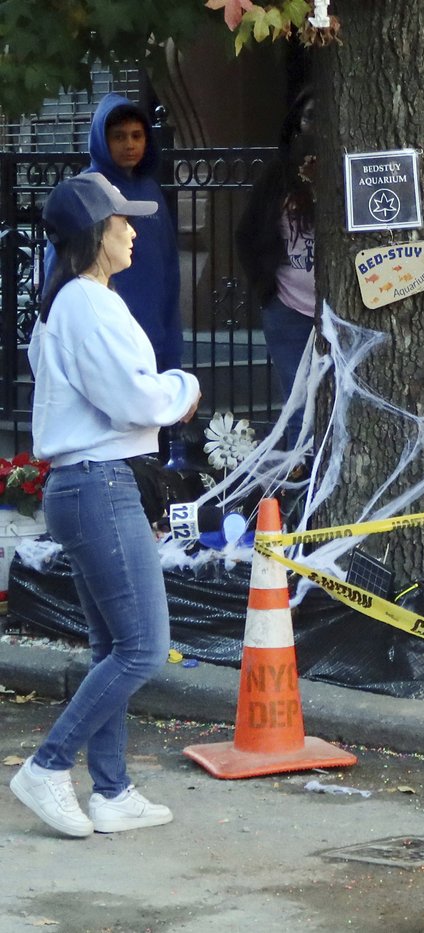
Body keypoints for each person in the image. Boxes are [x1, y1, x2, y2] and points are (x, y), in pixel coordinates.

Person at [9, 173, 201, 838]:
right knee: (144, 647)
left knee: (113, 646)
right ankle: (48, 764)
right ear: (95, 230)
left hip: (89, 483)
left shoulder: (75, 301)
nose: (133, 230)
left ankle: (113, 791)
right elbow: (134, 399)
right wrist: (182, 389)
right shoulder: (87, 304)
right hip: (100, 482)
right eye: (122, 220)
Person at [78, 94, 182, 373]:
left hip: (154, 339)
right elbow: (61, 268)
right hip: (104, 344)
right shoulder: (84, 192)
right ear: (102, 139)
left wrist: (172, 345)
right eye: (119, 136)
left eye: (137, 135)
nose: (130, 144)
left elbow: (169, 269)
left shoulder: (150, 191)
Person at [236, 90, 316, 442]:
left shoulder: (347, 173)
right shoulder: (276, 178)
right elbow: (247, 234)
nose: (315, 127)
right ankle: (303, 492)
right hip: (289, 311)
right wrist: (267, 290)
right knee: (299, 412)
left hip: (342, 312)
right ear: (296, 123)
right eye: (309, 117)